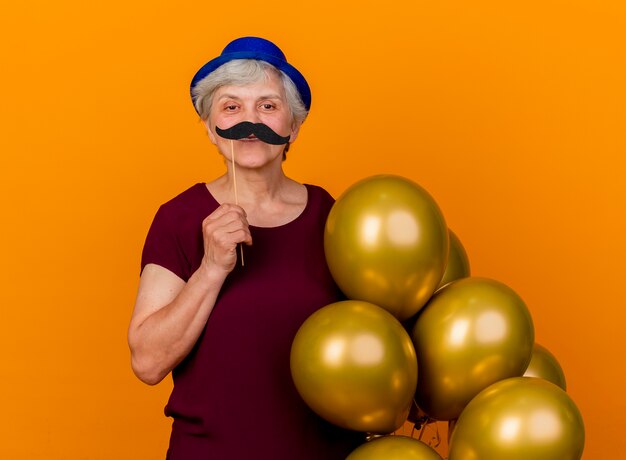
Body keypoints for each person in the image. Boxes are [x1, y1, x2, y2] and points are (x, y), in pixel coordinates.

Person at [127, 36, 364, 459]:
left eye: (268, 106)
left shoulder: (334, 217)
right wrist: (212, 268)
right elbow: (147, 363)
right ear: (209, 127)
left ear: (294, 125)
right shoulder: (179, 218)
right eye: (231, 106)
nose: (248, 121)